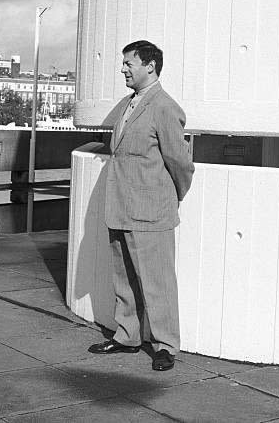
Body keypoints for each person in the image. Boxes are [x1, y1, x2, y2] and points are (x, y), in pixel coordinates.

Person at [88, 40, 194, 371]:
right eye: (123, 64)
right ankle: (127, 336)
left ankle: (166, 346)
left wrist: (167, 197)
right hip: (120, 208)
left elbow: (181, 164)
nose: (123, 69)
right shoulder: (129, 103)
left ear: (150, 66)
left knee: (157, 282)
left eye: (128, 64)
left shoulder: (165, 107)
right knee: (124, 278)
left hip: (151, 212)